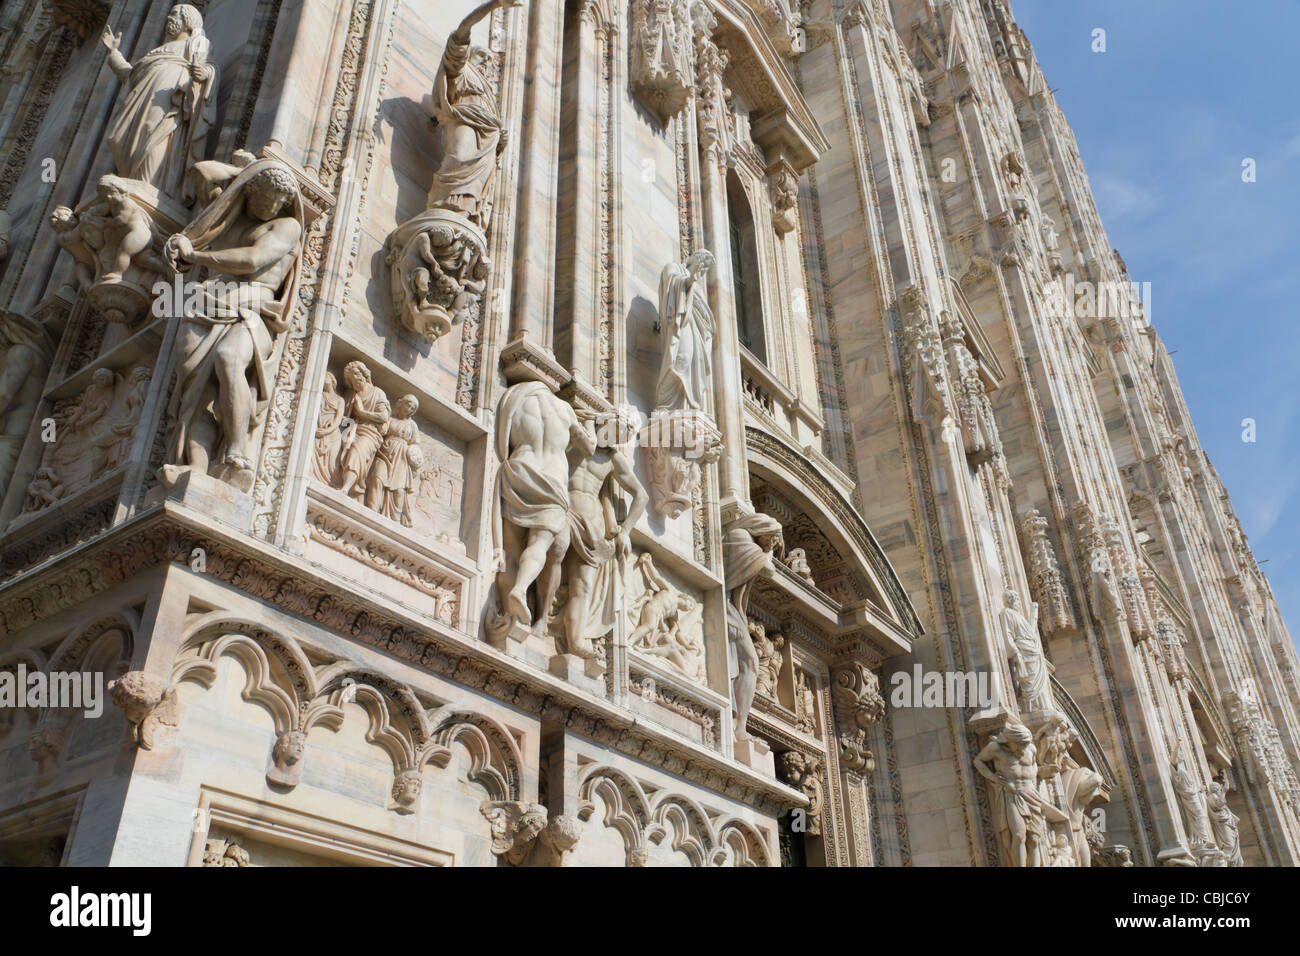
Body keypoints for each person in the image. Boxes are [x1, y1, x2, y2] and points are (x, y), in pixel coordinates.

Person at [165, 158, 303, 481]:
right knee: (196, 394)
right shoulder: (226, 217)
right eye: (265, 197)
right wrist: (245, 171)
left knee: (228, 358)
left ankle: (237, 452)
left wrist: (194, 255)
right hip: (206, 305)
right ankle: (196, 470)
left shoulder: (286, 226)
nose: (272, 206)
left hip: (252, 308)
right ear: (248, 189)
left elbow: (253, 259)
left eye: (279, 202)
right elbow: (200, 171)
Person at [492, 382, 595, 628]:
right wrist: (589, 421)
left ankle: (508, 616)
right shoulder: (565, 410)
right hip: (553, 479)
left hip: (520, 469)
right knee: (539, 545)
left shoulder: (516, 396)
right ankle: (520, 587)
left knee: (511, 548)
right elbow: (590, 447)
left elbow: (502, 434)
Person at [103, 4, 217, 198]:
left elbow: (208, 66)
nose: (168, 19)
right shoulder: (158, 51)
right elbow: (131, 76)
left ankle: (149, 186)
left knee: (154, 132)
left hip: (171, 93)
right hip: (142, 95)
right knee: (117, 137)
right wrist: (114, 54)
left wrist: (205, 72)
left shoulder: (196, 42)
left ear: (188, 20)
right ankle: (132, 181)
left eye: (174, 15)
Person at [432, 0, 521, 229]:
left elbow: (492, 118)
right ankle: (445, 208)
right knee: (458, 158)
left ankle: (465, 216)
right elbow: (463, 28)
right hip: (463, 120)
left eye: (490, 61)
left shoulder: (487, 90)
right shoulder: (460, 68)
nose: (488, 63)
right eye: (483, 57)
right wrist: (495, 5)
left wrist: (500, 139)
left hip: (487, 137)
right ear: (469, 54)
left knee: (477, 187)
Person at [654, 250, 715, 413]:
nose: (703, 271)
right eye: (702, 264)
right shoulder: (673, 268)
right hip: (680, 325)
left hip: (696, 330)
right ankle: (666, 405)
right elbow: (673, 285)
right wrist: (689, 279)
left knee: (695, 365)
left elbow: (705, 314)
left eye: (706, 269)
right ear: (694, 259)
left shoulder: (699, 287)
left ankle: (690, 406)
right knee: (681, 358)